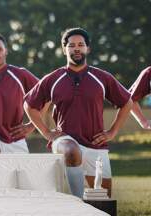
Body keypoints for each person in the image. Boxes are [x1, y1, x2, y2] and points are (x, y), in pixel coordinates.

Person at [24, 27, 132, 198]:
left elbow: (127, 102)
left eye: (80, 45)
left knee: (104, 202)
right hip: (65, 140)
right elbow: (29, 105)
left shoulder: (102, 77)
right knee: (72, 150)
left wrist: (112, 132)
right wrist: (46, 132)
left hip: (95, 143)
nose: (76, 48)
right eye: (71, 45)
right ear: (64, 49)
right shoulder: (53, 79)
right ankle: (78, 201)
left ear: (87, 48)